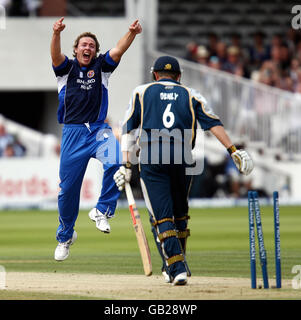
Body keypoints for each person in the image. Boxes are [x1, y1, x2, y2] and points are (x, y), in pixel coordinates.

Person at [113, 56, 254, 285]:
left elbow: (128, 129)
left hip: (152, 157)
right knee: (179, 214)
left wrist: (126, 164)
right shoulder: (191, 94)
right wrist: (233, 150)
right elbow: (213, 123)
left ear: (155, 75)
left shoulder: (141, 92)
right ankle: (171, 266)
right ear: (179, 76)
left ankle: (177, 268)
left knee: (161, 216)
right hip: (183, 158)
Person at [51, 17, 142, 261]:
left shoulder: (102, 67)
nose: (88, 48)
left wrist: (131, 33)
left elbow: (119, 49)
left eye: (91, 45)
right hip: (73, 132)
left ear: (95, 50)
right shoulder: (65, 69)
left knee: (116, 164)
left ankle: (102, 210)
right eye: (84, 44)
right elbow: (55, 55)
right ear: (76, 49)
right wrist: (56, 33)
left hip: (99, 129)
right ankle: (65, 236)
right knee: (67, 191)